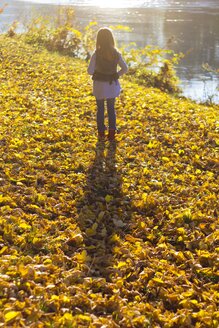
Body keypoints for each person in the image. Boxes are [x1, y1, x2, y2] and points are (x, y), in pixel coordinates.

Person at [87, 27, 128, 141]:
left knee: (100, 109)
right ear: (111, 39)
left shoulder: (96, 54)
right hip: (111, 85)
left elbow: (89, 71)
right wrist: (116, 75)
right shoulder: (116, 53)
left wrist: (98, 72)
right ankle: (111, 133)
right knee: (111, 109)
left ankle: (101, 132)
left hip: (99, 85)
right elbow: (125, 68)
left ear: (99, 40)